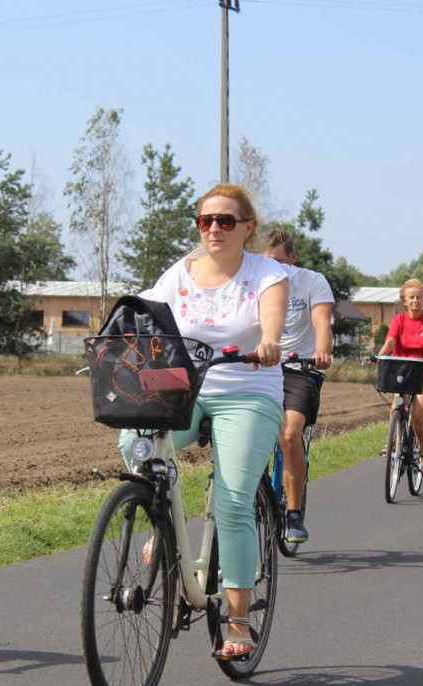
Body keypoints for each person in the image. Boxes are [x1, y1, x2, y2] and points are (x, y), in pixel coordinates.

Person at [121, 183, 288, 662]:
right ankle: (163, 521)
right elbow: (144, 313)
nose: (214, 228)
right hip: (186, 387)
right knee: (134, 439)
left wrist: (271, 340)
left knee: (234, 502)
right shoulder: (181, 272)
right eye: (205, 220)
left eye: (226, 221)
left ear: (247, 228)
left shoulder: (267, 274)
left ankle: (238, 619)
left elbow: (271, 318)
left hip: (247, 390)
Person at [262, 228, 334, 544]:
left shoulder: (311, 281)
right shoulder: (255, 282)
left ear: (293, 259)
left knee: (290, 435)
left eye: (280, 262)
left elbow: (322, 321)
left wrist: (322, 350)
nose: (275, 269)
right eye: (268, 263)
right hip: (261, 367)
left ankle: (293, 511)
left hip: (299, 368)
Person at [376, 278, 423, 476]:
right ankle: (395, 442)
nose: (415, 301)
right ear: (404, 301)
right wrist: (380, 356)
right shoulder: (399, 320)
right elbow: (390, 341)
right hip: (402, 371)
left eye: (419, 298)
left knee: (417, 414)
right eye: (411, 298)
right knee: (397, 405)